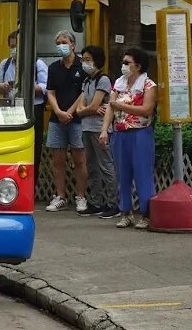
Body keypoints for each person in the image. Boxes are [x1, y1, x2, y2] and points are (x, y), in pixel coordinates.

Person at [100, 47, 158, 230]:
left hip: (140, 134)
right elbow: (110, 107)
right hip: (120, 133)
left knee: (143, 174)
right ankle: (125, 212)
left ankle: (146, 214)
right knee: (122, 175)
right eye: (123, 62)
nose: (123, 65)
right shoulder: (118, 83)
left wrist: (121, 107)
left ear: (138, 65)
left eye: (127, 63)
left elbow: (147, 109)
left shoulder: (148, 85)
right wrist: (104, 130)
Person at [45, 30, 89, 213]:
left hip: (78, 119)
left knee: (80, 159)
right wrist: (58, 111)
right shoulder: (53, 67)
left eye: (64, 42)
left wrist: (69, 112)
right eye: (58, 43)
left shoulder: (83, 66)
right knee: (58, 161)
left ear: (72, 44)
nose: (61, 46)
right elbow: (50, 92)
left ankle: (81, 196)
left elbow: (84, 92)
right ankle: (60, 196)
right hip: (56, 119)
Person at [73, 45, 119, 218]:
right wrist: (87, 110)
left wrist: (87, 109)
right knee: (91, 166)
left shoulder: (103, 80)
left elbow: (91, 105)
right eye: (83, 59)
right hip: (86, 127)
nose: (85, 63)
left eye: (88, 59)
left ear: (97, 60)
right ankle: (96, 201)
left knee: (106, 165)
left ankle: (113, 203)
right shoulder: (87, 81)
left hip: (100, 128)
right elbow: (80, 108)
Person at [0, 30, 48, 171]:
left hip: (32, 110)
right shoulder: (5, 63)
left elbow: (45, 87)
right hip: (9, 110)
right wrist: (2, 86)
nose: (14, 49)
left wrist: (25, 86)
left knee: (32, 149)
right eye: (11, 46)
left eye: (16, 46)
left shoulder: (38, 63)